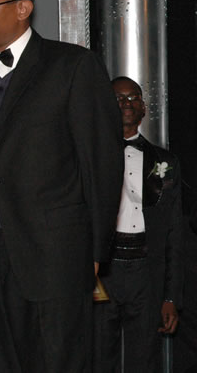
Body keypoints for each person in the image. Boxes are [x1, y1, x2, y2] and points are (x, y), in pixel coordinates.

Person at [0, 0, 123, 371]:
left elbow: (100, 163)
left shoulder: (73, 66)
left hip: (57, 259)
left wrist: (97, 249)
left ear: (22, 7)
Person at [93, 76, 184, 372]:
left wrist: (170, 296)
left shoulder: (165, 161)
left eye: (132, 98)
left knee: (144, 359)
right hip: (102, 270)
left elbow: (174, 233)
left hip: (146, 272)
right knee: (97, 356)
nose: (126, 104)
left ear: (143, 107)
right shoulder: (88, 157)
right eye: (118, 98)